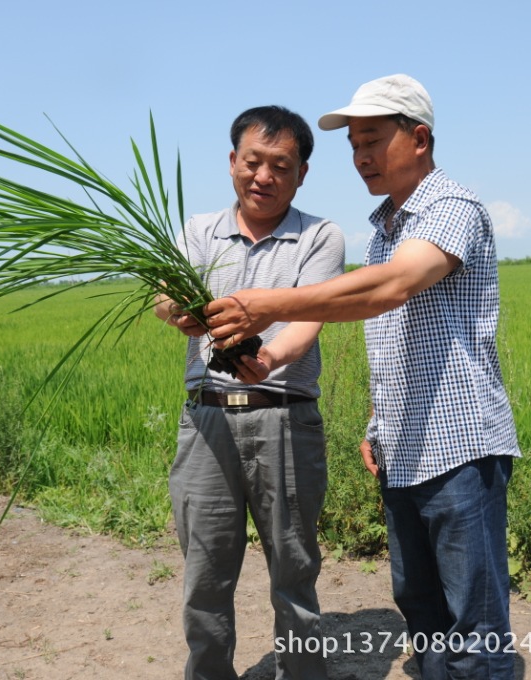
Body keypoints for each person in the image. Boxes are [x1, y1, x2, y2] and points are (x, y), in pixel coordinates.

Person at [205, 75, 521, 680]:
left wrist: (272, 305)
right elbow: (398, 336)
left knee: (474, 623)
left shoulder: (452, 206)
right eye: (353, 146)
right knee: (423, 611)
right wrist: (379, 423)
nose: (361, 158)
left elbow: (391, 289)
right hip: (404, 448)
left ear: (420, 138)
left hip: (460, 448)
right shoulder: (384, 227)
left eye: (372, 141)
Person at [154, 105, 345, 680]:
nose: (263, 176)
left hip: (285, 418)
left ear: (302, 173)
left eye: (280, 166)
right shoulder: (197, 231)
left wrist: (270, 358)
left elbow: (311, 318)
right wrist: (178, 312)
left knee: (294, 569)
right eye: (253, 161)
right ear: (233, 161)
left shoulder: (320, 236)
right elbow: (164, 295)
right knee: (205, 574)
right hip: (207, 423)